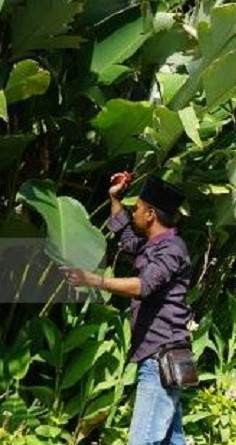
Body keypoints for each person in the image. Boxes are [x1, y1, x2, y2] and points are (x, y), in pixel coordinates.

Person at [62, 174, 192, 445]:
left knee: (142, 440)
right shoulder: (154, 245)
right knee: (171, 440)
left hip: (160, 358)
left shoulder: (171, 251)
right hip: (163, 355)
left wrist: (95, 280)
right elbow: (127, 238)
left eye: (137, 208)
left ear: (150, 213)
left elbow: (143, 285)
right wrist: (114, 198)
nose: (134, 212)